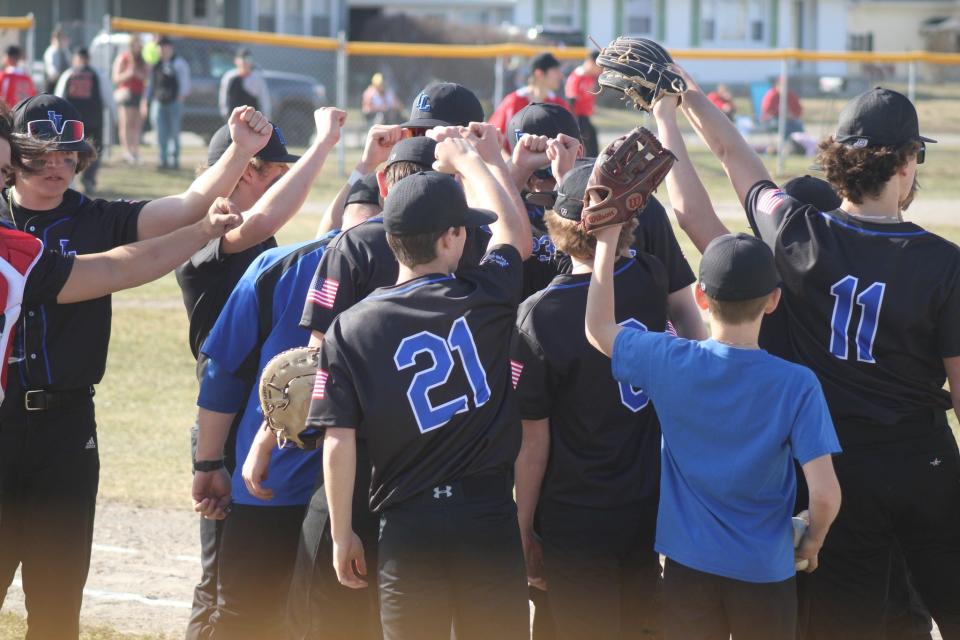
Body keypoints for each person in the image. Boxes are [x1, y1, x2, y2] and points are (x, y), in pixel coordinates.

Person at [675, 64, 960, 639]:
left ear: (839, 163)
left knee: (842, 622)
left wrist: (683, 96)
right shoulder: (944, 262)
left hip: (835, 459)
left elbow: (735, 157)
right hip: (922, 454)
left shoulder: (800, 233)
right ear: (906, 165)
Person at [0, 94, 272, 640]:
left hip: (65, 424)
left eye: (69, 155)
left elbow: (186, 208)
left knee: (56, 603)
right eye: (38, 156)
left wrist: (240, 152)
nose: (57, 166)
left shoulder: (92, 220)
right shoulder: (10, 237)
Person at [314, 129, 533, 639]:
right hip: (486, 515)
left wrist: (342, 531)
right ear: (450, 237)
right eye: (462, 230)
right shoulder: (485, 294)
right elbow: (514, 237)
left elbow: (337, 440)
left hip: (407, 523)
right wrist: (470, 160)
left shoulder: (352, 326)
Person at [585, 217, 842, 639]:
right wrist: (811, 541)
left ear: (701, 297)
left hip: (689, 567)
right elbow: (826, 495)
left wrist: (607, 239)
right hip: (765, 570)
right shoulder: (797, 383)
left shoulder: (668, 359)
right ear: (773, 300)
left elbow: (598, 329)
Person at [178, 108, 344, 640]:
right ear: (244, 170)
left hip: (251, 417)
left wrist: (362, 166)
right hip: (225, 428)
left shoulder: (256, 245)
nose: (284, 181)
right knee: (225, 588)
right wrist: (325, 144)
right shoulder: (199, 240)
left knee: (242, 587)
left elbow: (323, 249)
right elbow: (269, 220)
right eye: (276, 172)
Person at [512, 163, 675, 639]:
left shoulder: (540, 314)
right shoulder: (649, 274)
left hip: (578, 511)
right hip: (646, 497)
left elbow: (533, 440)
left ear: (557, 229)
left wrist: (521, 528)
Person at [55, 47, 114, 194]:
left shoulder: (69, 74)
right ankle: (89, 180)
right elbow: (108, 98)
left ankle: (70, 182)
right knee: (95, 151)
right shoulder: (98, 74)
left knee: (70, 151)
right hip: (94, 120)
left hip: (72, 122)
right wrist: (115, 117)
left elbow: (58, 98)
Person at [489, 52, 572, 145]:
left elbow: (571, 142)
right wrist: (510, 159)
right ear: (539, 73)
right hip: (514, 159)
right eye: (555, 71)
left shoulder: (559, 105)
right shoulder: (514, 101)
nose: (560, 76)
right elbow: (493, 140)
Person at [146, 36, 191, 170]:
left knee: (174, 132)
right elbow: (151, 84)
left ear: (170, 47)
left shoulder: (178, 63)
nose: (162, 50)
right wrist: (147, 99)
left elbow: (185, 82)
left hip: (174, 102)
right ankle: (163, 159)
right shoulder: (156, 64)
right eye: (159, 47)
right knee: (160, 132)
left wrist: (180, 97)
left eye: (164, 46)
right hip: (159, 102)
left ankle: (174, 159)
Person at [112, 34, 149, 165]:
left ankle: (135, 151)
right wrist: (129, 73)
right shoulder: (123, 58)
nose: (137, 48)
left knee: (136, 124)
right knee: (126, 123)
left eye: (139, 45)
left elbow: (146, 78)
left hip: (139, 94)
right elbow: (116, 78)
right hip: (126, 94)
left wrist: (138, 74)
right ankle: (126, 151)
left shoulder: (143, 60)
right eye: (134, 45)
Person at [564, 51, 601, 156]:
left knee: (593, 142)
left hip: (585, 117)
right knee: (586, 146)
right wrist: (573, 123)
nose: (600, 70)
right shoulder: (578, 76)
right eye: (599, 66)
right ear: (590, 62)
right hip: (577, 118)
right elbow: (571, 100)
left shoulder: (591, 77)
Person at [219, 47, 271, 122]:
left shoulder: (257, 78)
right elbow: (224, 98)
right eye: (241, 59)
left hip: (252, 120)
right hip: (234, 118)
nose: (244, 62)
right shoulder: (230, 77)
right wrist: (226, 115)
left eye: (247, 59)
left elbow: (264, 99)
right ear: (236, 61)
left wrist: (265, 118)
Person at [43, 27, 71, 93]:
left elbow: (70, 65)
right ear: (53, 40)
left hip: (64, 82)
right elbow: (52, 73)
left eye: (62, 38)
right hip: (53, 85)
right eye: (58, 38)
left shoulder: (66, 51)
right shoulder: (51, 52)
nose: (61, 41)